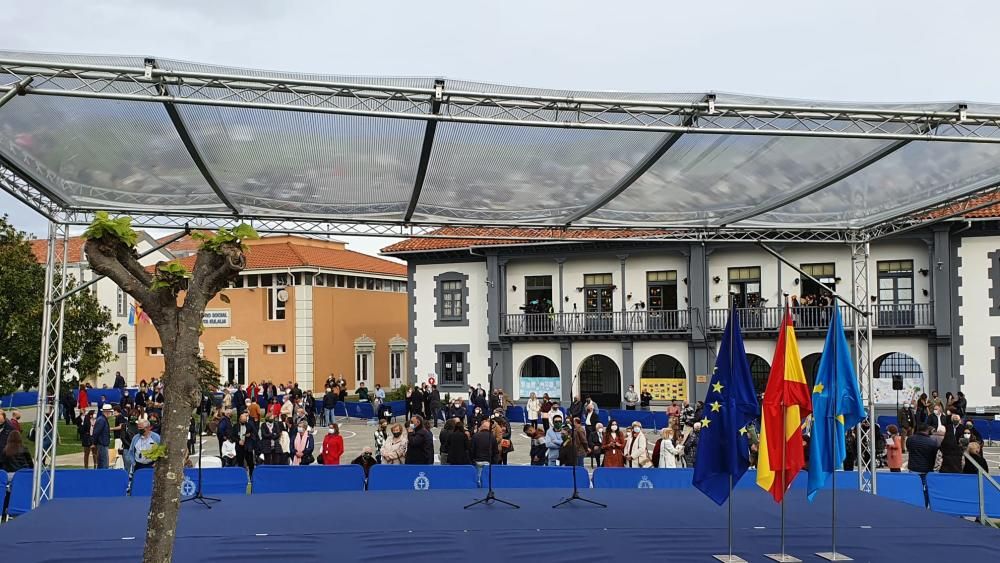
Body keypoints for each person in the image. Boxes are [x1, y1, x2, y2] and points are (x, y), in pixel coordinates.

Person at [471, 419, 497, 483]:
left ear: (482, 427)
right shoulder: (492, 437)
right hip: (488, 460)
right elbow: (495, 451)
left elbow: (472, 449)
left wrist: (472, 460)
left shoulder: (475, 436)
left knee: (477, 476)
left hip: (477, 460)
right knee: (487, 478)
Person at [93, 404, 112, 469]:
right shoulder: (102, 420)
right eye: (110, 412)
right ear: (107, 412)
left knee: (102, 463)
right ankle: (104, 477)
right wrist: (94, 443)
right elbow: (96, 433)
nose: (111, 413)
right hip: (102, 444)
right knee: (104, 463)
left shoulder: (103, 419)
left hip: (103, 444)